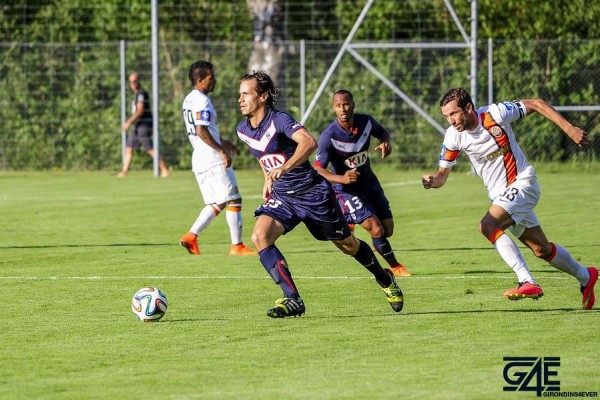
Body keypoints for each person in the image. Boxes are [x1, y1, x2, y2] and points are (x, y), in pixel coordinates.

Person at [236, 70, 404, 318]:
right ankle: (292, 298)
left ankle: (384, 277)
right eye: (239, 94)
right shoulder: (243, 130)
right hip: (284, 197)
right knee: (259, 237)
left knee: (348, 245)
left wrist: (286, 167)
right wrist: (267, 180)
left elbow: (308, 142)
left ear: (263, 96)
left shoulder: (279, 119)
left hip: (313, 194)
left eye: (246, 94)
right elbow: (264, 158)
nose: (240, 99)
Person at [422, 87, 597, 309]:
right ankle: (586, 276)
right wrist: (432, 180)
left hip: (523, 184)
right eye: (446, 116)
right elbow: (442, 175)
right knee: (542, 249)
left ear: (468, 108)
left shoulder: (496, 114)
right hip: (502, 197)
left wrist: (569, 128)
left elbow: (537, 103)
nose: (451, 120)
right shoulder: (453, 136)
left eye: (454, 113)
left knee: (488, 225)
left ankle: (527, 281)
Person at [314, 89, 411, 277]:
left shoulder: (366, 121)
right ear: (333, 108)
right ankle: (395, 267)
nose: (342, 109)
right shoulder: (329, 136)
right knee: (376, 228)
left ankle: (348, 217)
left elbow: (383, 132)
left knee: (387, 230)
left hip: (370, 183)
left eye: (346, 104)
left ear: (353, 104)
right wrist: (342, 178)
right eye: (338, 105)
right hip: (346, 190)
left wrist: (385, 142)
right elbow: (318, 169)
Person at [179, 60, 256, 256]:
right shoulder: (202, 101)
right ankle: (236, 245)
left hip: (199, 157)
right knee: (233, 199)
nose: (214, 81)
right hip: (212, 158)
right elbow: (201, 130)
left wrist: (223, 143)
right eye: (211, 78)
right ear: (200, 80)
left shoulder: (189, 99)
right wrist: (221, 151)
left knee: (219, 201)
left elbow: (202, 131)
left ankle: (192, 236)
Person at [118, 72, 170, 178]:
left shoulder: (141, 94)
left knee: (150, 149)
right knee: (128, 148)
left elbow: (140, 110)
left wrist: (128, 122)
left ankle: (165, 170)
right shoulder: (137, 94)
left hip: (144, 125)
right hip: (137, 126)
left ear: (138, 81)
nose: (132, 84)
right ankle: (124, 172)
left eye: (134, 81)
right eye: (131, 82)